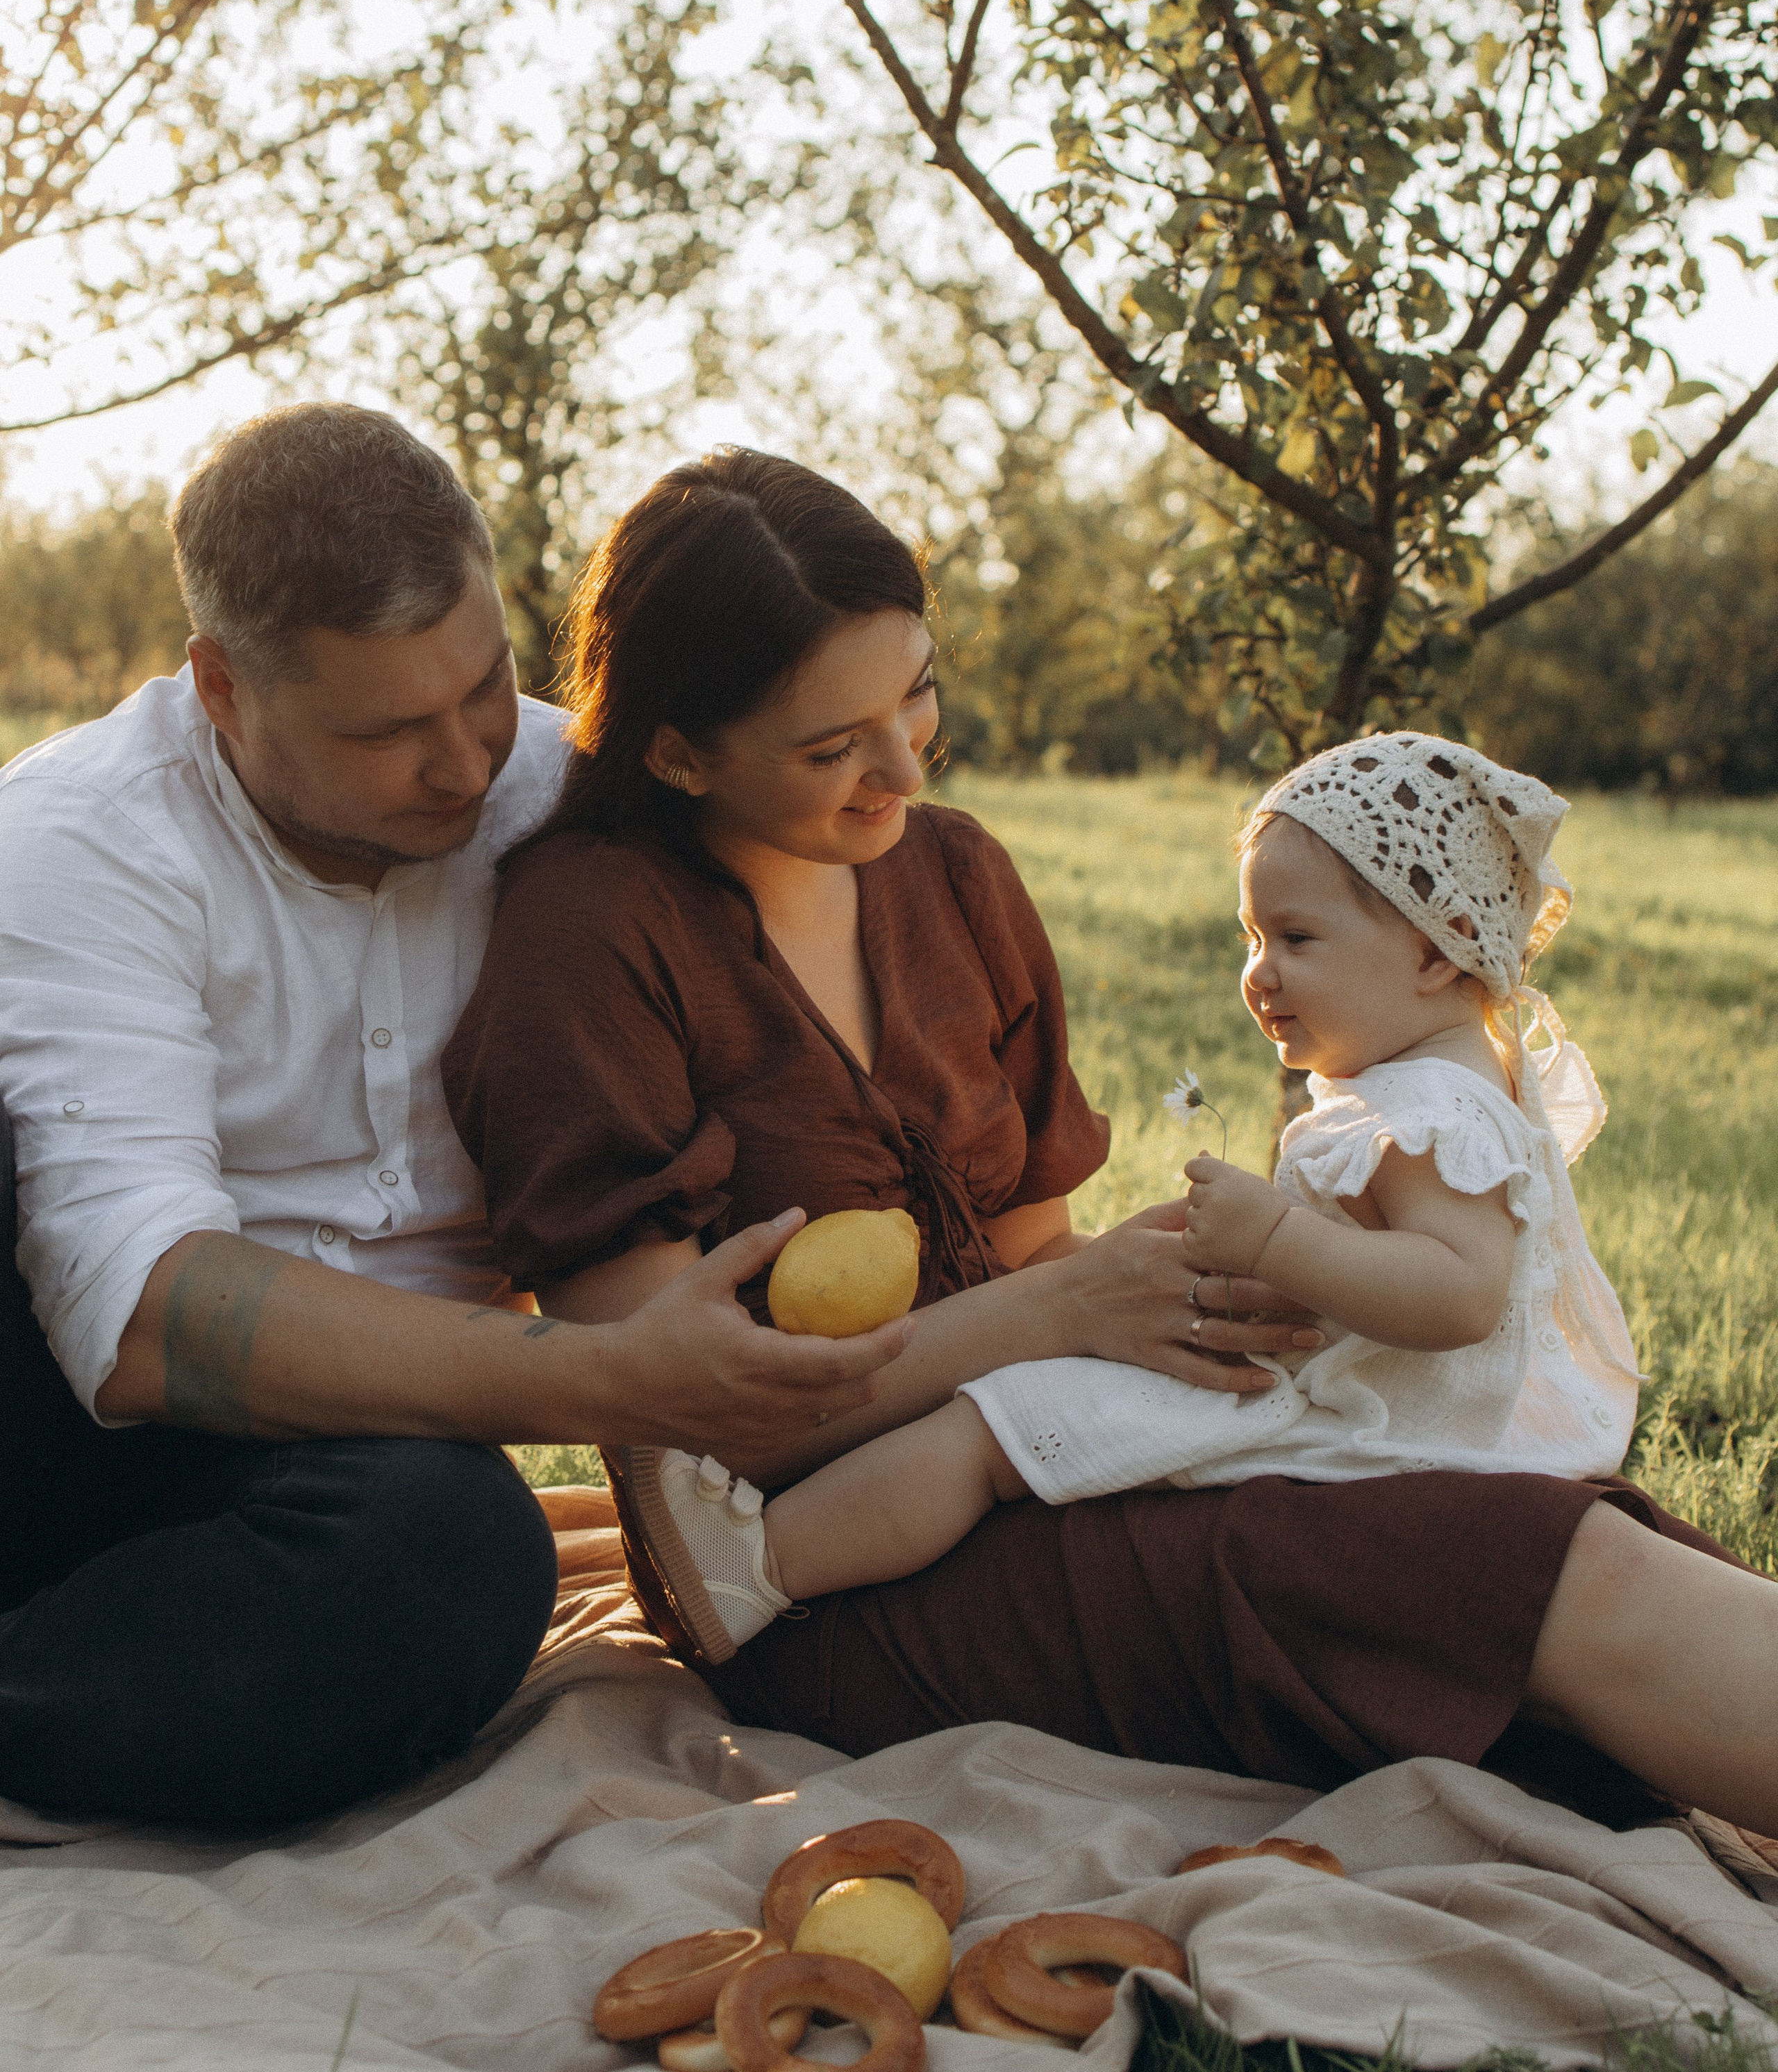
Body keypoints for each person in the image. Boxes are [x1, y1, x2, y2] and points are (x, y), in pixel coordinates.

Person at [449, 446, 1778, 1842]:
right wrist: (1056, 1314)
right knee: (1509, 1578)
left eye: (912, 697)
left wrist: (1204, 1316)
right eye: (833, 747)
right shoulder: (588, 940)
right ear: (675, 750)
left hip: (1027, 1457)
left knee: (1540, 1526)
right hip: (810, 1575)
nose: (902, 766)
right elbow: (665, 1401)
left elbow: (1035, 1256)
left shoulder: (951, 878)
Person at [0, 408, 904, 1829]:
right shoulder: (82, 838)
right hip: (53, 1411)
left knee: (460, 1559)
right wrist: (606, 1377)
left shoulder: (578, 801)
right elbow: (140, 1315)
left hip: (363, 1472)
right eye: (384, 730)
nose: (466, 760)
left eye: (483, 684)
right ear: (221, 690)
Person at [615, 734, 1645, 1660]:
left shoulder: (1435, 1110)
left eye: (1295, 938)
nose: (1259, 972)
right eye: (1251, 937)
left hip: (1338, 1423)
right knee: (1028, 1403)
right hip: (1327, 1394)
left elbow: (1459, 1295)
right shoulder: (1437, 1085)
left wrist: (1278, 1237)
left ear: (1435, 947)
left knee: (995, 1430)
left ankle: (758, 1566)